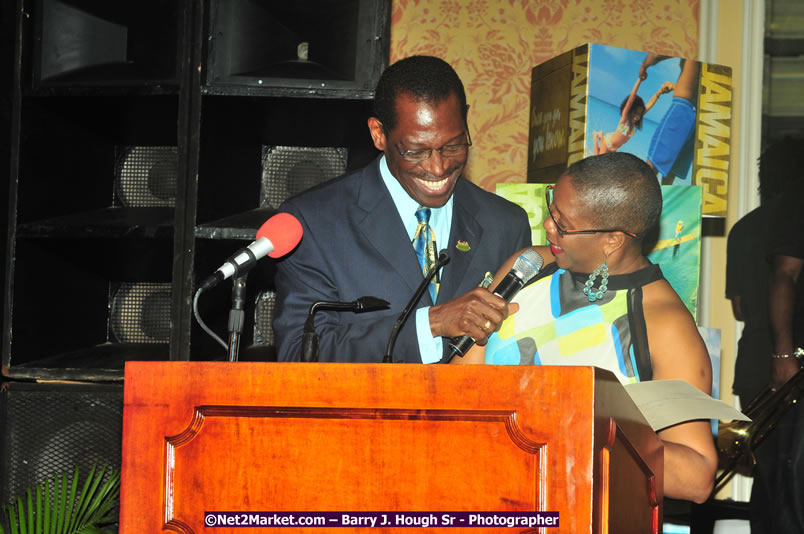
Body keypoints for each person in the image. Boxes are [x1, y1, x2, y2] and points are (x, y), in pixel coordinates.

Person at [453, 152, 717, 503]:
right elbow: (460, 386)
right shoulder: (526, 268)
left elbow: (697, 476)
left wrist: (593, 425)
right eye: (552, 207)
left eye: (563, 224)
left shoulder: (665, 325)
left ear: (613, 239)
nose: (548, 225)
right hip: (484, 495)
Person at [273, 55, 531, 363]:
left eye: (453, 145)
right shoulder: (314, 223)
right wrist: (431, 324)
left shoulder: (506, 224)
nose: (438, 167)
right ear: (379, 134)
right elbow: (300, 358)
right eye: (416, 151)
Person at [748, 137, 804, 534]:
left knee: (772, 481)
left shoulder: (744, 227)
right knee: (788, 481)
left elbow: (737, 305)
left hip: (758, 359)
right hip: (788, 364)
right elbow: (784, 274)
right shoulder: (797, 208)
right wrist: (784, 356)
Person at [639, 53, 701, 185]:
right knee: (670, 177)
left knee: (650, 169)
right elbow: (695, 81)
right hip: (698, 119)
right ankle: (664, 204)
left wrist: (645, 64)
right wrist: (674, 86)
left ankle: (633, 206)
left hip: (681, 109)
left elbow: (656, 55)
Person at [593, 77, 674, 155]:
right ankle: (596, 136)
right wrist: (639, 80)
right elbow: (631, 99)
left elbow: (649, 104)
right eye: (635, 113)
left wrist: (659, 92)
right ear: (630, 111)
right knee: (597, 160)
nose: (637, 116)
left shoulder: (634, 123)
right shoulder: (624, 120)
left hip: (614, 148)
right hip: (608, 143)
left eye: (639, 114)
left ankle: (600, 136)